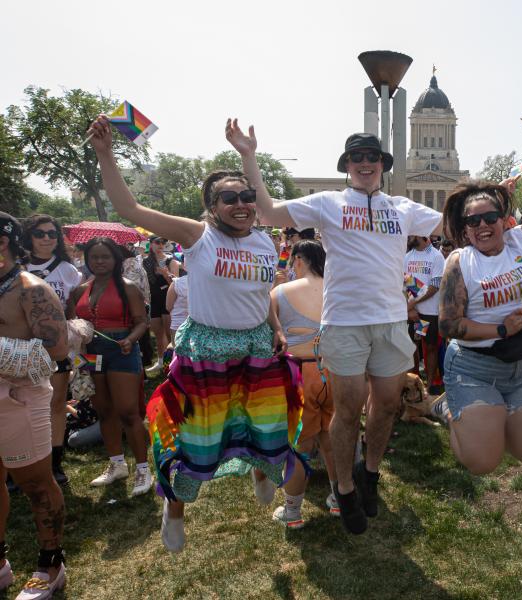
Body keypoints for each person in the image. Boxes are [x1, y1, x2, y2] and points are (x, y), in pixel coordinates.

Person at [87, 115, 299, 553]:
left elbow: (264, 294)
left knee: (266, 429)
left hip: (257, 349)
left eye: (246, 196)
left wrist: (249, 156)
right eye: (229, 199)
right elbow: (131, 211)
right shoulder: (199, 236)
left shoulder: (264, 241)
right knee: (198, 443)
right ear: (211, 206)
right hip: (208, 354)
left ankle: (260, 469)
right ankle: (175, 509)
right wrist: (106, 155)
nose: (240, 204)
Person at [228, 119, 442, 536]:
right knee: (346, 410)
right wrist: (248, 156)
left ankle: (371, 476)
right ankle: (343, 488)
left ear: (382, 164)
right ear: (347, 164)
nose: (365, 163)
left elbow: (453, 222)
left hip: (392, 322)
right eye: (357, 158)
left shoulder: (403, 208)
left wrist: (493, 195)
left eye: (372, 157)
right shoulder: (328, 202)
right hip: (344, 323)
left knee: (384, 405)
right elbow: (269, 212)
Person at [434, 116, 522, 475]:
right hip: (475, 367)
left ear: (503, 219)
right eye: (472, 221)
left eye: (490, 217)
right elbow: (448, 324)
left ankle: (488, 419)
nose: (482, 225)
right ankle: (451, 408)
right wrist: (500, 330)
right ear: (464, 229)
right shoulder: (460, 264)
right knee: (482, 463)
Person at [0, 212, 69, 599]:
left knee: (36, 484)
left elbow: (56, 349)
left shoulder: (30, 289)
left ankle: (51, 564)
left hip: (20, 398)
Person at [67, 237, 152, 497]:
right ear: (87, 259)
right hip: (91, 353)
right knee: (103, 411)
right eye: (95, 257)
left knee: (128, 412)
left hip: (121, 350)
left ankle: (143, 469)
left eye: (105, 257)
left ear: (116, 260)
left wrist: (130, 339)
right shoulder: (80, 290)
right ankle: (117, 465)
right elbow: (72, 320)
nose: (100, 261)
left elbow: (142, 322)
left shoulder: (128, 288)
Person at [271, 240, 341, 527]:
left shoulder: (280, 292)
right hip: (336, 371)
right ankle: (339, 499)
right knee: (333, 437)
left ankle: (292, 511)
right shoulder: (339, 290)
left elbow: (268, 336)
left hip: (298, 372)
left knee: (297, 444)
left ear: (298, 259)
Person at [21, 215, 83, 484]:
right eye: (39, 233)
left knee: (57, 404)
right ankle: (23, 462)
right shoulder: (15, 267)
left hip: (56, 348)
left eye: (52, 234)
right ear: (28, 237)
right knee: (23, 404)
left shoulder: (67, 269)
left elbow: (71, 307)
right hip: (21, 348)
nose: (46, 238)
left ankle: (55, 463)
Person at [404, 234, 446, 395]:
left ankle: (428, 387)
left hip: (430, 312)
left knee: (430, 347)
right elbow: (407, 283)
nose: (408, 237)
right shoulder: (408, 256)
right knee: (412, 347)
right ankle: (414, 383)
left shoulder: (436, 256)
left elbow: (434, 286)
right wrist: (411, 309)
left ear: (422, 234)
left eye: (411, 234)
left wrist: (413, 303)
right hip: (414, 313)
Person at [143, 235, 179, 372]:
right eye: (157, 242)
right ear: (151, 244)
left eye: (164, 242)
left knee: (170, 334)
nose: (161, 245)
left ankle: (174, 363)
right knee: (158, 333)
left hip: (168, 298)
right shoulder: (145, 262)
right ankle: (161, 361)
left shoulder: (171, 261)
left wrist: (165, 274)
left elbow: (177, 284)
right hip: (153, 298)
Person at [165, 269, 189, 342]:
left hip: (178, 325)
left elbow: (168, 307)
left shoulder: (177, 283)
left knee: (178, 352)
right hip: (201, 326)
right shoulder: (207, 283)